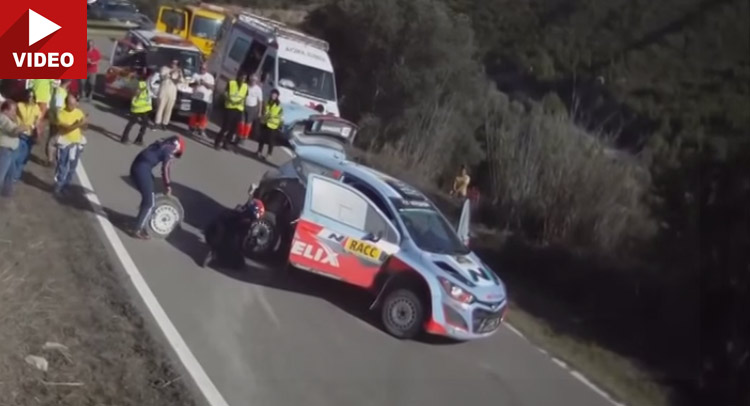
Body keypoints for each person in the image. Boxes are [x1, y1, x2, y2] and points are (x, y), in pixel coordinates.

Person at [129, 135, 185, 239]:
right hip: (141, 170)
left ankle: (141, 222)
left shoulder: (161, 143)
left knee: (150, 196)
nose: (175, 156)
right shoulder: (169, 150)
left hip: (139, 167)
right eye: (177, 154)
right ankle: (137, 229)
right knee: (150, 202)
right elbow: (166, 168)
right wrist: (168, 186)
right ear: (178, 147)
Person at [53, 94, 88, 197]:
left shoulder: (79, 112)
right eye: (70, 104)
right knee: (62, 166)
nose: (73, 106)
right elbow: (67, 128)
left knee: (72, 167)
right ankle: (58, 186)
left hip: (76, 143)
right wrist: (80, 124)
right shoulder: (61, 114)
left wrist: (85, 123)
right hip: (65, 143)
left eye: (74, 104)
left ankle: (66, 186)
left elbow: (84, 128)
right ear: (66, 103)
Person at [0, 101, 29, 198]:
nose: (15, 113)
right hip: (4, 151)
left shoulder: (8, 119)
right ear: (6, 110)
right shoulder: (3, 119)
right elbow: (14, 131)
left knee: (10, 174)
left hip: (9, 151)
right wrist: (25, 127)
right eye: (13, 110)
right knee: (1, 175)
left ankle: (7, 193)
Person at [13, 90, 43, 182]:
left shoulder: (37, 108)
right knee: (17, 157)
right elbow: (21, 116)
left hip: (29, 136)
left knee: (24, 158)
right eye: (29, 96)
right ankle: (14, 177)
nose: (30, 98)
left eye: (32, 96)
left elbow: (38, 121)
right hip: (20, 134)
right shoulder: (20, 105)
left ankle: (16, 175)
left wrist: (37, 133)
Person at [214, 72, 248, 150]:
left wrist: (242, 102)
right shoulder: (232, 83)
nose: (243, 79)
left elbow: (245, 97)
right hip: (230, 107)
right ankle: (217, 142)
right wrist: (228, 98)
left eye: (245, 78)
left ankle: (226, 143)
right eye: (242, 78)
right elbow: (225, 92)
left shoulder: (245, 86)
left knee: (234, 129)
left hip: (239, 109)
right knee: (225, 127)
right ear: (239, 77)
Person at [121, 69, 152, 145]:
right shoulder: (135, 82)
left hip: (144, 107)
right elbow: (133, 92)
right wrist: (138, 91)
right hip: (137, 106)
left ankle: (139, 139)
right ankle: (124, 138)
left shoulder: (144, 82)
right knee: (132, 122)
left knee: (145, 123)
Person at [46, 79, 71, 166]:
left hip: (54, 119)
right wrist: (58, 120)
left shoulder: (60, 90)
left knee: (52, 138)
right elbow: (58, 107)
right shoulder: (60, 92)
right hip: (56, 120)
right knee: (53, 140)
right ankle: (50, 159)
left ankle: (51, 158)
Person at [154, 59, 183, 130]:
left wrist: (179, 74)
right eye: (173, 63)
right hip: (164, 90)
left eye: (176, 64)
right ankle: (157, 122)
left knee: (169, 109)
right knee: (160, 107)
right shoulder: (164, 68)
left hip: (172, 92)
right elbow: (163, 76)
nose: (174, 64)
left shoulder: (179, 71)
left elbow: (181, 81)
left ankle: (165, 123)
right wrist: (171, 71)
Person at [188, 63, 215, 138]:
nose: (202, 70)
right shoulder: (195, 75)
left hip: (205, 99)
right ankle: (192, 128)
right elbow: (190, 85)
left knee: (203, 115)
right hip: (196, 97)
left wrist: (205, 83)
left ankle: (201, 129)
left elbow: (212, 88)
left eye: (204, 69)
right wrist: (197, 83)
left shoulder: (210, 77)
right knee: (194, 114)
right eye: (201, 68)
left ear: (207, 69)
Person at [256, 89, 283, 159]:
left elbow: (281, 116)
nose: (273, 95)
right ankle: (259, 151)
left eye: (275, 94)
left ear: (277, 96)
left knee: (271, 140)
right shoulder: (267, 103)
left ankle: (269, 154)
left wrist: (280, 125)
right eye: (272, 94)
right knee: (262, 138)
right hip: (265, 123)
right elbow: (264, 111)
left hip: (273, 125)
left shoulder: (279, 106)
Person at [239, 74, 263, 144]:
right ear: (250, 79)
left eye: (255, 80)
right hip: (243, 106)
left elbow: (260, 101)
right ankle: (239, 136)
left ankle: (245, 137)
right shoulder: (245, 86)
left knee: (248, 123)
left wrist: (260, 112)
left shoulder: (258, 89)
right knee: (241, 122)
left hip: (252, 108)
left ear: (256, 81)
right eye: (252, 80)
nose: (253, 81)